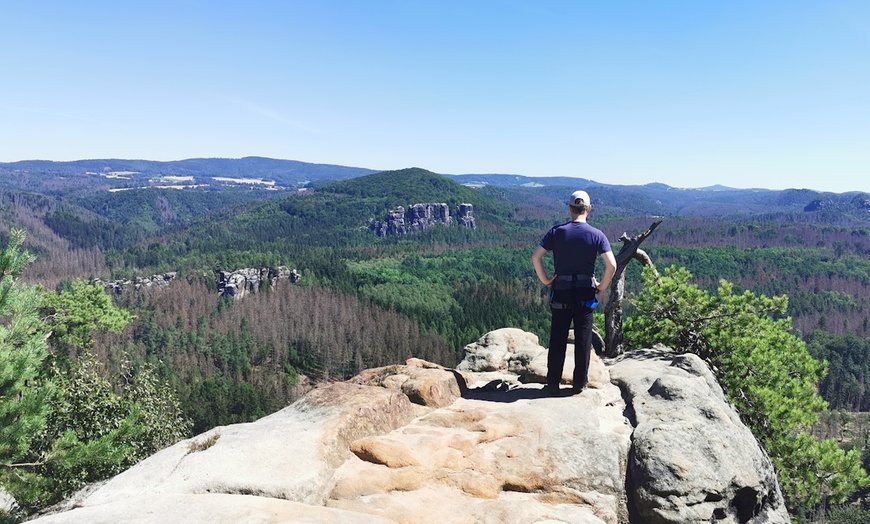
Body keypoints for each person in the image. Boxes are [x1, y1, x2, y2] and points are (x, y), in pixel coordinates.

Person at [531, 190, 617, 395]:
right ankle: (579, 384)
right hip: (585, 293)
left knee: (558, 338)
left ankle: (553, 383)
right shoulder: (597, 235)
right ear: (589, 209)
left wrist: (546, 280)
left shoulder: (557, 232)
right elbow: (612, 265)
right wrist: (602, 286)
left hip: (561, 291)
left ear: (570, 208)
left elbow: (536, 257)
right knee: (583, 339)